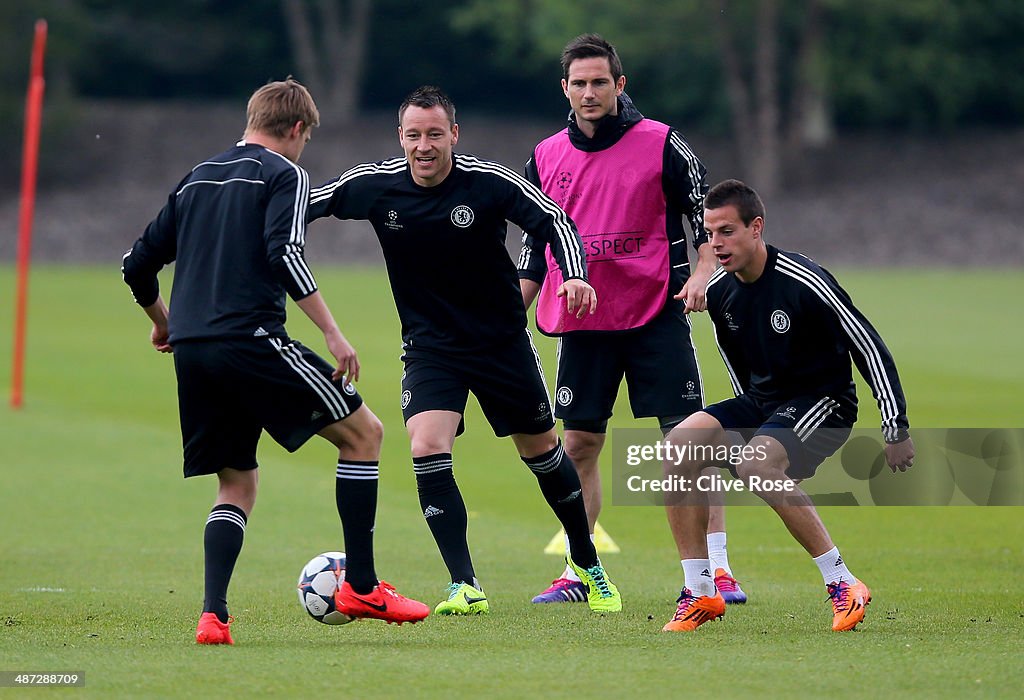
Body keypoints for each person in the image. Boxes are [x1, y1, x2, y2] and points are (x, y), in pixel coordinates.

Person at [120, 78, 430, 645]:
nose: (303, 148)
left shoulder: (196, 178)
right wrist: (334, 334)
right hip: (251, 340)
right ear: (296, 129)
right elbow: (283, 252)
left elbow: (134, 265)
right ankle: (361, 584)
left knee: (236, 481)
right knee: (364, 434)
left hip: (193, 350)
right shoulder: (284, 174)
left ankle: (213, 617)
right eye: (305, 138)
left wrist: (163, 323)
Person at [306, 85, 621, 615]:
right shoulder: (374, 186)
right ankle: (465, 584)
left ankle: (588, 563)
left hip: (500, 343)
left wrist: (573, 275)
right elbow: (301, 204)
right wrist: (246, 226)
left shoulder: (488, 181)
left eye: (434, 134)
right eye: (413, 135)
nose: (423, 145)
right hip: (431, 347)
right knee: (427, 445)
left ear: (454, 133)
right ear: (399, 137)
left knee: (542, 454)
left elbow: (555, 222)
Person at [518, 33, 746, 605]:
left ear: (620, 85)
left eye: (600, 82)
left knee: (688, 446)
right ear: (564, 89)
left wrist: (698, 278)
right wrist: (508, 315)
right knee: (578, 447)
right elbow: (533, 249)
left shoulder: (665, 146)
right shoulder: (545, 156)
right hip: (585, 320)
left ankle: (717, 569)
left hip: (656, 318)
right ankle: (580, 569)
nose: (589, 92)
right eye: (579, 83)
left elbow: (708, 230)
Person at [660, 179, 915, 632]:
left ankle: (843, 583)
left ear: (756, 228)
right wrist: (756, 432)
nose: (715, 244)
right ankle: (700, 593)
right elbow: (743, 372)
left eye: (726, 232)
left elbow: (869, 347)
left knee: (756, 465)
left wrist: (895, 427)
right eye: (709, 233)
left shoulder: (805, 281)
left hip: (826, 403)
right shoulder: (720, 293)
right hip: (765, 403)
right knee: (679, 448)